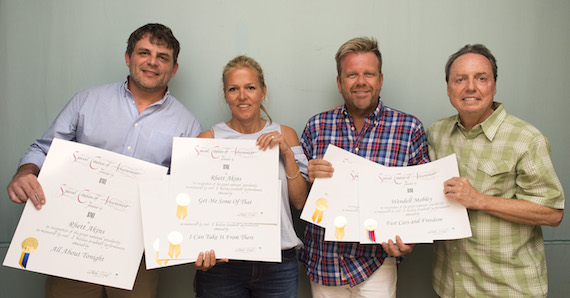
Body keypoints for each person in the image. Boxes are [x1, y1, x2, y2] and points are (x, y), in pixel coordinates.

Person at [6, 23, 210, 298]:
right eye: (144, 53)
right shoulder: (86, 101)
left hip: (137, 252)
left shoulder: (187, 124)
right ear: (128, 58)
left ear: (173, 69)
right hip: (71, 241)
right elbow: (43, 150)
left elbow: (186, 191)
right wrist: (25, 172)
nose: (152, 62)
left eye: (163, 57)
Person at [428, 44, 565, 297]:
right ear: (448, 88)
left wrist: (479, 200)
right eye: (460, 79)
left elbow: (552, 214)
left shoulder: (526, 139)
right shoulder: (437, 133)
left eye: (481, 78)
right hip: (450, 286)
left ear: (494, 85)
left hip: (506, 288)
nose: (470, 87)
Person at [300, 37, 430, 297]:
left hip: (378, 261)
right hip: (326, 261)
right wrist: (309, 179)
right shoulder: (316, 126)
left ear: (380, 79)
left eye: (368, 74)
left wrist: (410, 239)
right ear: (339, 83)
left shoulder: (409, 128)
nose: (361, 81)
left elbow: (421, 199)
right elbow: (298, 198)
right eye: (351, 74)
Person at [193, 55, 309, 297]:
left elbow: (300, 202)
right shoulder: (208, 140)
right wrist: (194, 246)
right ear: (225, 95)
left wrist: (287, 153)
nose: (242, 96)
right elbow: (195, 203)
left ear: (263, 92)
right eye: (233, 89)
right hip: (223, 264)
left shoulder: (286, 134)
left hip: (278, 262)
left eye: (250, 88)